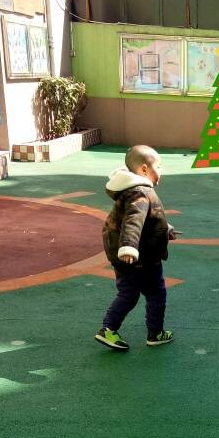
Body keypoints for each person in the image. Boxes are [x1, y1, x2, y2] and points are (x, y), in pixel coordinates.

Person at [95, 145, 179, 351]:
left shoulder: (132, 190)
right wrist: (129, 248)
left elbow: (147, 218)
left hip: (126, 253)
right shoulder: (140, 192)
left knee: (129, 293)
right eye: (159, 166)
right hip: (140, 256)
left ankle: (109, 329)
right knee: (155, 293)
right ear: (144, 169)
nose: (161, 171)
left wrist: (165, 228)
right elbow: (133, 221)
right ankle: (155, 333)